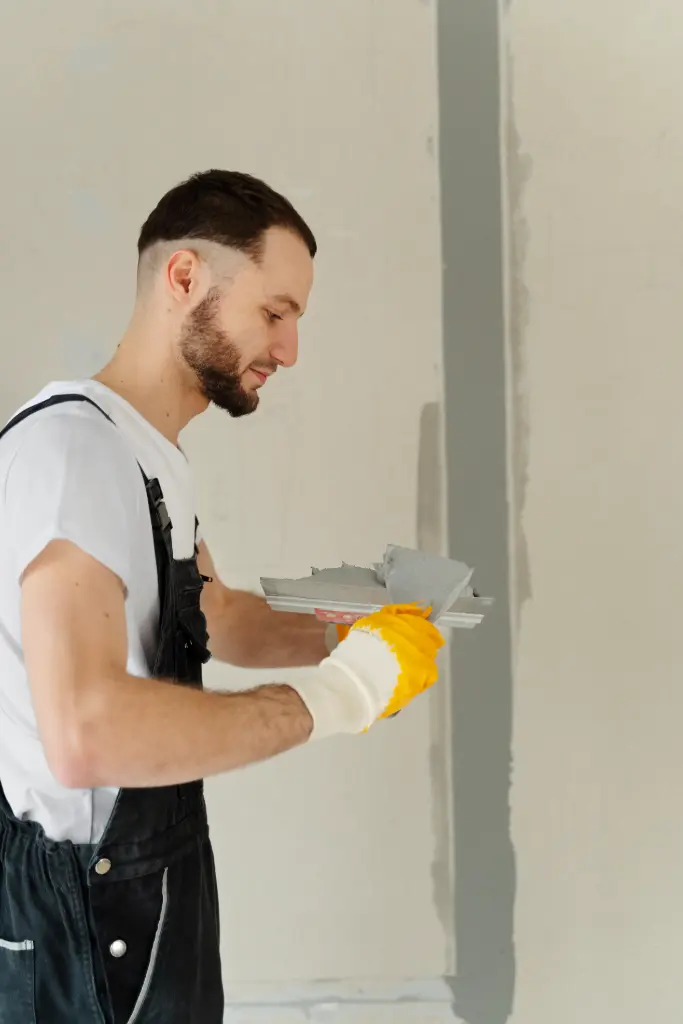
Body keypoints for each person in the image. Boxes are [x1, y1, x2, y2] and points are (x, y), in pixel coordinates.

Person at [0, 169, 445, 1023]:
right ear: (184, 279)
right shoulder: (73, 453)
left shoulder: (146, 454)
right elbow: (86, 735)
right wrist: (342, 694)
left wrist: (364, 635)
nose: (288, 350)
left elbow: (214, 615)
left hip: (145, 889)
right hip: (86, 926)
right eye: (274, 313)